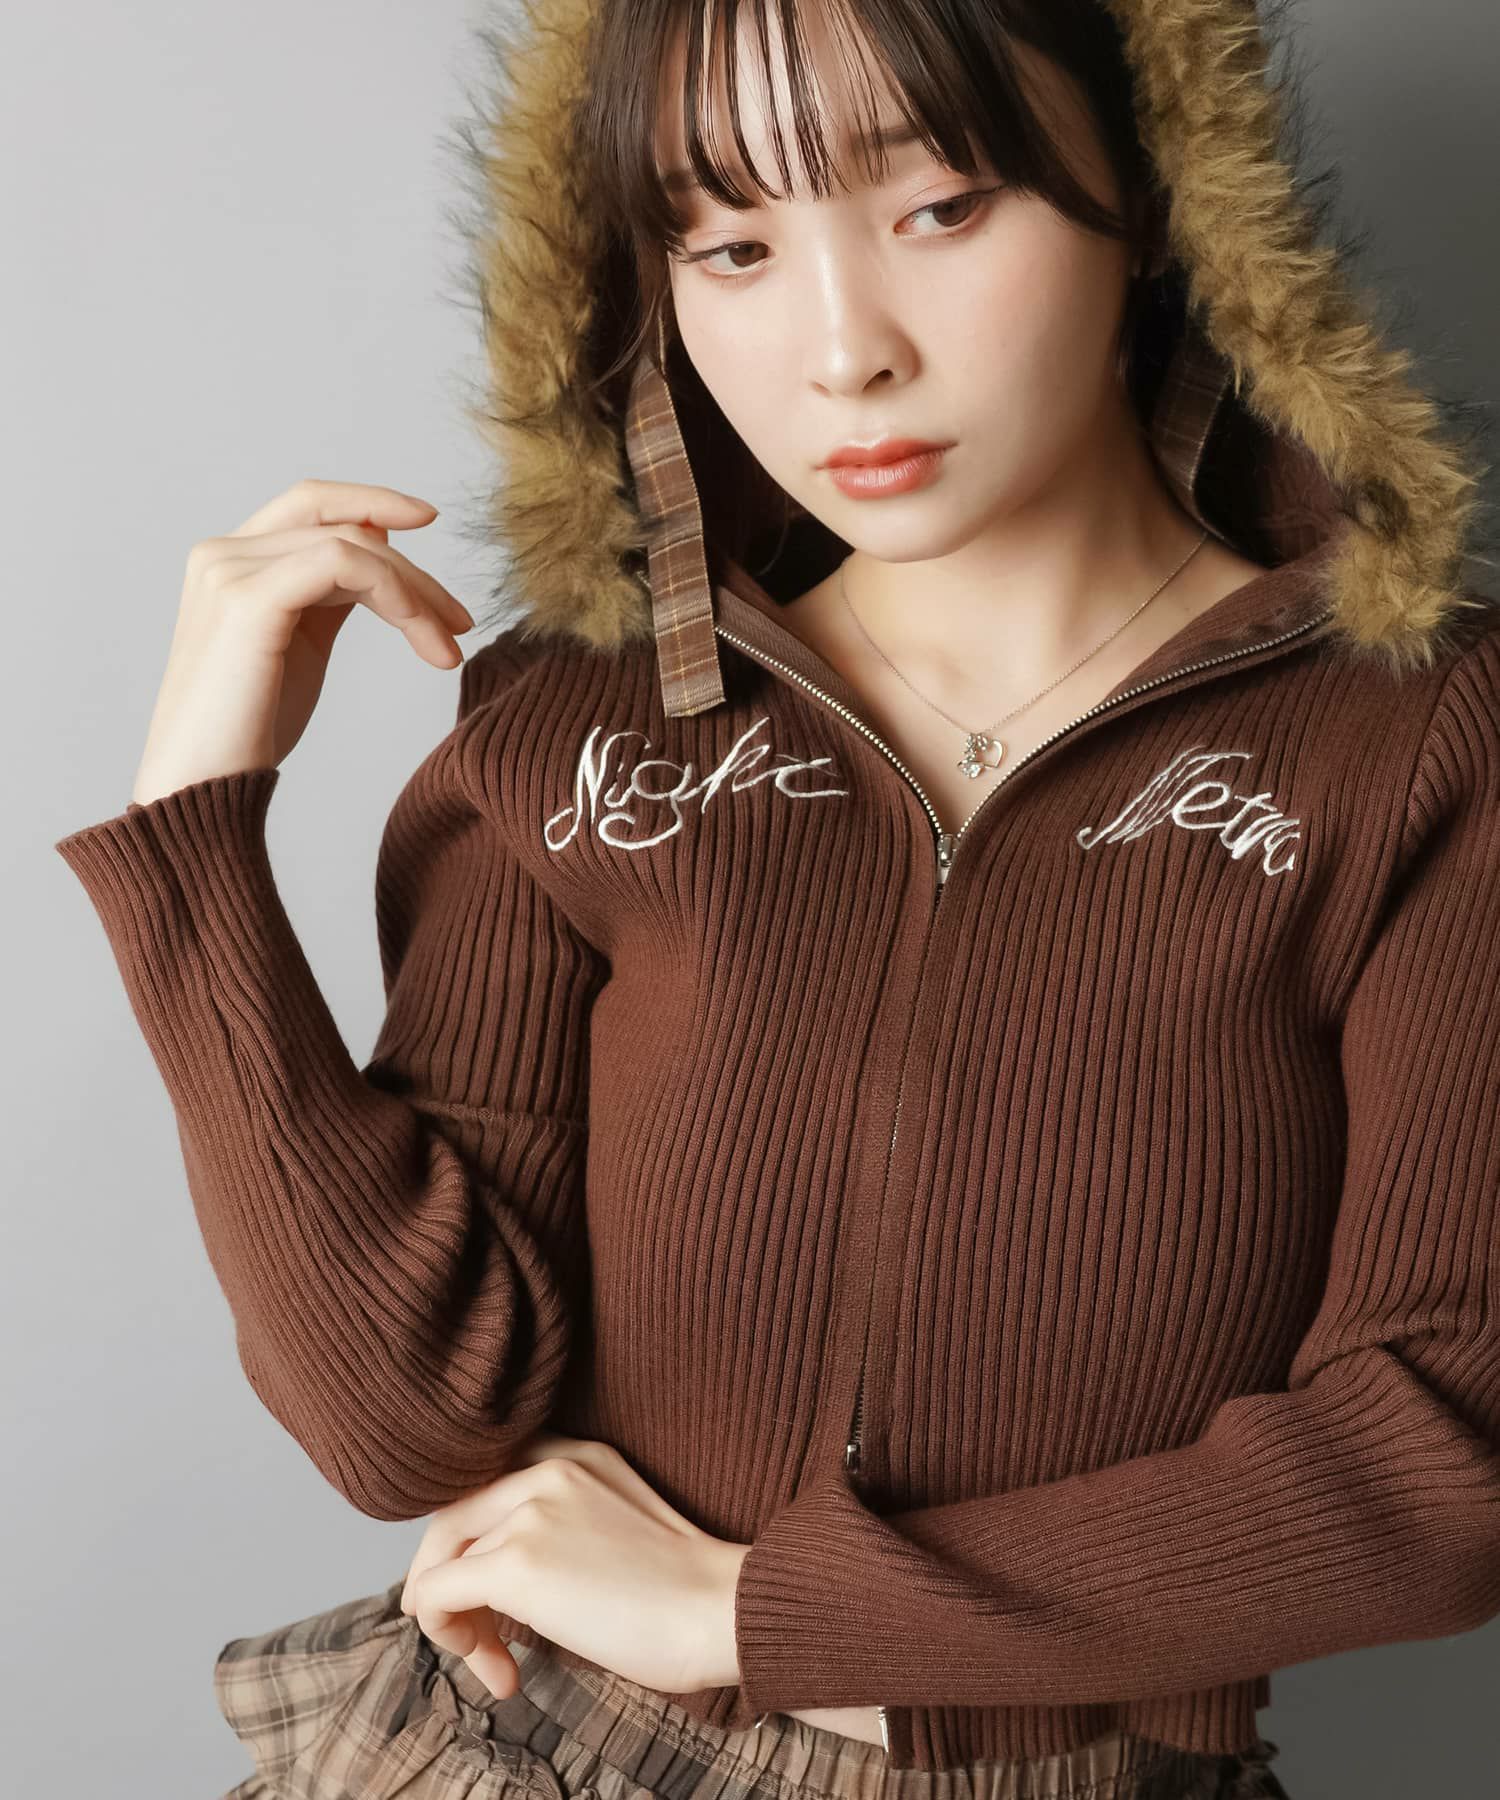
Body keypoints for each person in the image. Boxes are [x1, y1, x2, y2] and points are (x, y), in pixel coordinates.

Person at [53, 0, 1499, 1797]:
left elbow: (1448, 1454)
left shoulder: (1421, 736)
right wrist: (192, 836)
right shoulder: (578, 723)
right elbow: (413, 1415)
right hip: (528, 1756)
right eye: (731, 247)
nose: (842, 353)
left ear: (1152, 190)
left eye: (943, 207)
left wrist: (761, 1612)